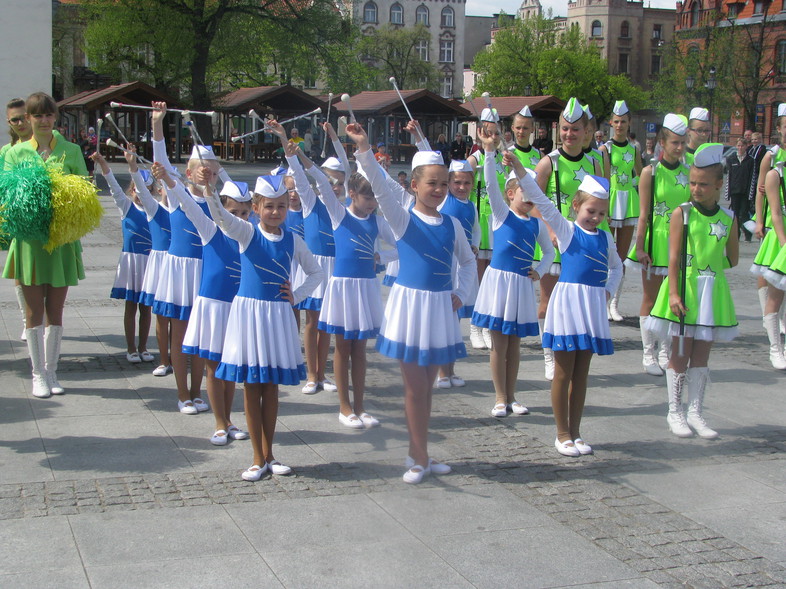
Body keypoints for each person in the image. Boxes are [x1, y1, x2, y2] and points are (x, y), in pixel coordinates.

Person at [346, 122, 475, 484]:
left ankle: (421, 453)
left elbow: (467, 263)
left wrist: (461, 295)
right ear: (414, 185)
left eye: (443, 183)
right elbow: (382, 187)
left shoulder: (452, 224)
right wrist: (363, 149)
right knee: (415, 388)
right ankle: (417, 457)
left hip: (438, 310)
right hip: (410, 310)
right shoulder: (402, 219)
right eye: (430, 183)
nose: (438, 189)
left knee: (427, 389)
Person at [205, 170, 324, 481]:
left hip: (278, 317)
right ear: (255, 207)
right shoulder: (246, 233)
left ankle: (270, 454)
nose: (275, 212)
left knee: (270, 386)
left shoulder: (293, 240)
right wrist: (208, 187)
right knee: (252, 385)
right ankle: (257, 458)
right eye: (268, 206)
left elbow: (316, 273)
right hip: (249, 317)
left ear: (288, 206)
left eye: (281, 206)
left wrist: (295, 296)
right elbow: (219, 216)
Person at [512, 160, 622, 457]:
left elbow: (617, 267)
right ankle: (561, 433)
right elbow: (544, 202)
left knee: (582, 374)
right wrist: (521, 171)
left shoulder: (606, 237)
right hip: (567, 306)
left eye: (601, 213)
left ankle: (576, 431)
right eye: (590, 211)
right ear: (576, 206)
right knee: (563, 372)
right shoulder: (567, 230)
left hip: (591, 309)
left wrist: (608, 292)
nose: (596, 218)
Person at [288, 134, 397, 429]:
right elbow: (322, 183)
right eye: (367, 198)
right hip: (343, 288)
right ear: (352, 193)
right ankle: (345, 407)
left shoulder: (377, 220)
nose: (372, 204)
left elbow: (400, 244)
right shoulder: (338, 214)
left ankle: (361, 406)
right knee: (343, 348)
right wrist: (296, 156)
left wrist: (381, 260)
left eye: (375, 198)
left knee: (360, 349)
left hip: (366, 288)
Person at [647, 143, 738, 439]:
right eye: (693, 183)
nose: (696, 189)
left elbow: (733, 257)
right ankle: (675, 411)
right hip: (685, 290)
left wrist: (710, 267)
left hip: (711, 292)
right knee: (680, 351)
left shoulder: (728, 217)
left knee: (702, 354)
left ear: (719, 185)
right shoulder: (682, 213)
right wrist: (673, 293)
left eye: (703, 184)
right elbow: (672, 258)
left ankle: (696, 412)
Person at [2, 92, 90, 398]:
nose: (43, 121)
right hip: (29, 242)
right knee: (32, 313)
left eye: (48, 115)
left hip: (62, 242)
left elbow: (84, 190)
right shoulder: (15, 154)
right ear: (27, 119)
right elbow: (9, 197)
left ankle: (52, 372)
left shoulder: (71, 150)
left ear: (55, 118)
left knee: (56, 311)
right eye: (37, 115)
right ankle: (38, 374)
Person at [472, 127, 554, 417]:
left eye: (535, 192)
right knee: (499, 344)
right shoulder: (501, 214)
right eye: (524, 190)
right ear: (510, 194)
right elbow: (490, 184)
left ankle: (512, 396)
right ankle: (499, 396)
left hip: (520, 286)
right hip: (498, 285)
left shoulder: (537, 224)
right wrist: (490, 152)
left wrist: (540, 270)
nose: (531, 196)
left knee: (515, 345)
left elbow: (550, 252)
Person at [151, 101, 214, 415]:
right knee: (179, 334)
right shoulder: (178, 195)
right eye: (201, 170)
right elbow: (161, 161)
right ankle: (182, 394)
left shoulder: (219, 203)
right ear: (188, 173)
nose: (207, 175)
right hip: (179, 272)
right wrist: (157, 124)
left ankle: (197, 390)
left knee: (199, 336)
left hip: (205, 273)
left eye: (212, 171)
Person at [532, 98, 601, 381]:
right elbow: (533, 201)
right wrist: (548, 230)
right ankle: (550, 355)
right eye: (564, 129)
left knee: (579, 300)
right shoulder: (549, 162)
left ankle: (575, 352)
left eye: (575, 129)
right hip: (557, 242)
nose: (569, 135)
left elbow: (600, 203)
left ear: (586, 131)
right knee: (548, 302)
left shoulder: (596, 161)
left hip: (584, 244)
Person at [627, 114, 690, 376]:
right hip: (656, 242)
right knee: (651, 299)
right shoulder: (650, 172)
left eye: (682, 142)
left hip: (681, 245)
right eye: (674, 142)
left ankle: (666, 350)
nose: (679, 147)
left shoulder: (689, 173)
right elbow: (644, 214)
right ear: (662, 142)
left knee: (674, 299)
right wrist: (640, 247)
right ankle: (648, 353)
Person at [92, 151, 154, 365]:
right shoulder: (126, 207)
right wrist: (103, 163)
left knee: (146, 308)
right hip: (131, 264)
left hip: (149, 263)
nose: (139, 194)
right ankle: (131, 348)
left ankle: (144, 346)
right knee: (131, 307)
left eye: (145, 190)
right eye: (136, 189)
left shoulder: (155, 211)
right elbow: (113, 186)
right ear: (132, 190)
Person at [436, 159, 480, 388]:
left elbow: (476, 230)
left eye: (466, 183)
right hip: (447, 265)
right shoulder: (444, 200)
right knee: (446, 317)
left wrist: (475, 245)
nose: (461, 187)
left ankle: (451, 370)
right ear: (449, 182)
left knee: (456, 318)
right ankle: (442, 372)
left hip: (463, 265)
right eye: (457, 182)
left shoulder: (471, 206)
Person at [467, 108, 507, 350]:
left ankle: (489, 325)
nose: (492, 137)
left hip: (498, 223)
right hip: (479, 223)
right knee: (478, 279)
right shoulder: (474, 160)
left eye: (496, 133)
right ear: (480, 133)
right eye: (487, 133)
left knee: (494, 280)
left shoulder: (504, 160)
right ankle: (475, 326)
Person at [751, 105, 786, 369]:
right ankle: (774, 336)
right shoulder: (772, 159)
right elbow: (762, 191)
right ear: (780, 129)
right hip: (778, 229)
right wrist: (759, 220)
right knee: (770, 278)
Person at [605, 100, 642, 322]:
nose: (619, 125)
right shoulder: (605, 148)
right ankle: (604, 301)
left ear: (629, 124)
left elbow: (641, 174)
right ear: (611, 123)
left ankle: (615, 305)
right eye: (616, 122)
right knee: (606, 255)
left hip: (628, 203)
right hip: (610, 203)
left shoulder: (634, 149)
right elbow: (603, 178)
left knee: (621, 256)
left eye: (623, 122)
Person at [2, 98, 34, 340]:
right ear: (9, 122)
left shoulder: (43, 144)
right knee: (20, 271)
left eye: (24, 117)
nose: (21, 122)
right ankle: (28, 318)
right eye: (15, 119)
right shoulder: (6, 152)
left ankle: (40, 315)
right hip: (18, 219)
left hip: (44, 218)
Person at [726, 138, 754, 242]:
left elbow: (752, 177)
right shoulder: (731, 158)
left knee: (744, 214)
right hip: (734, 191)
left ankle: (748, 233)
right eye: (738, 145)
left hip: (745, 192)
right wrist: (728, 193)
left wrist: (751, 193)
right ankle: (736, 236)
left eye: (742, 145)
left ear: (746, 146)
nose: (740, 148)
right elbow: (729, 176)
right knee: (735, 214)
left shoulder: (750, 160)